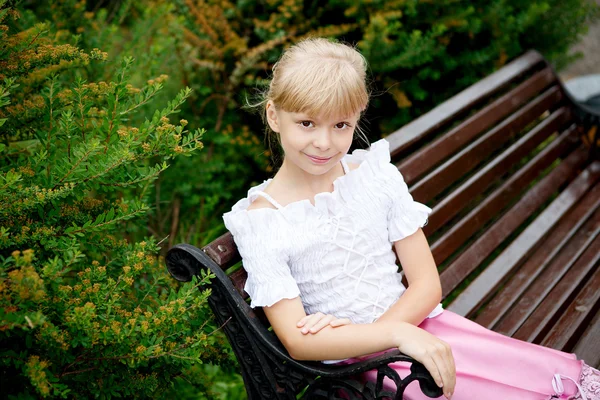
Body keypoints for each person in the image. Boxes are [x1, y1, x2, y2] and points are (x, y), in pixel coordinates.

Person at [222, 37, 600, 400]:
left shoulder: (373, 176)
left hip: (422, 328)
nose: (324, 142)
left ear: (357, 118)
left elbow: (425, 284)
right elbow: (298, 340)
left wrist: (395, 331)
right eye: (307, 123)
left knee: (536, 381)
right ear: (274, 115)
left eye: (341, 125)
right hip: (362, 373)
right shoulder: (264, 222)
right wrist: (394, 337)